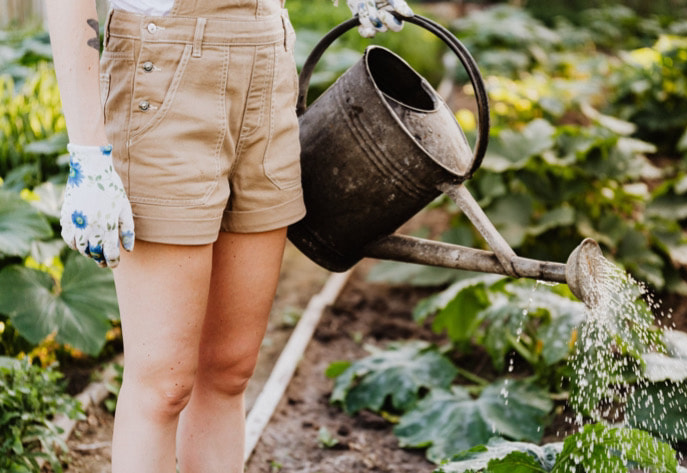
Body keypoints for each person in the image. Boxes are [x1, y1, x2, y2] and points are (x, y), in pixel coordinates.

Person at [44, 0, 413, 471]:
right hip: (162, 72)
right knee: (164, 384)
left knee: (230, 369)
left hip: (267, 59)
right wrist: (88, 153)